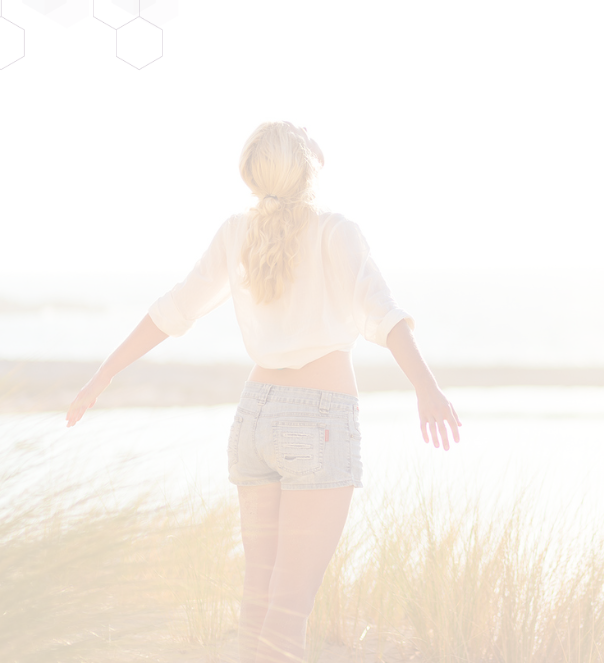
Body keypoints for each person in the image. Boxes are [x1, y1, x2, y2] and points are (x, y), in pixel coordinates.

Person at [64, 121, 462, 663]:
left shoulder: (235, 232)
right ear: (309, 166)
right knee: (289, 611)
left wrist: (101, 376)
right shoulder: (335, 229)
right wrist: (428, 389)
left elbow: (172, 310)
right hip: (317, 423)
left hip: (254, 420)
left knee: (259, 599)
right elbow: (384, 313)